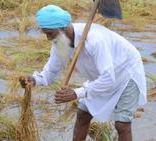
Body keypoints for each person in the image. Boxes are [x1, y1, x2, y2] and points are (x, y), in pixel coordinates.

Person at [19, 5, 147, 141]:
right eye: (45, 34)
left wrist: (75, 93)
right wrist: (34, 80)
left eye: (50, 33)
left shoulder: (96, 40)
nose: (48, 39)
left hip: (125, 74)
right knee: (82, 115)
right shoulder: (60, 42)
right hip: (100, 78)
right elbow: (50, 73)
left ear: (63, 28)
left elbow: (109, 79)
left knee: (122, 124)